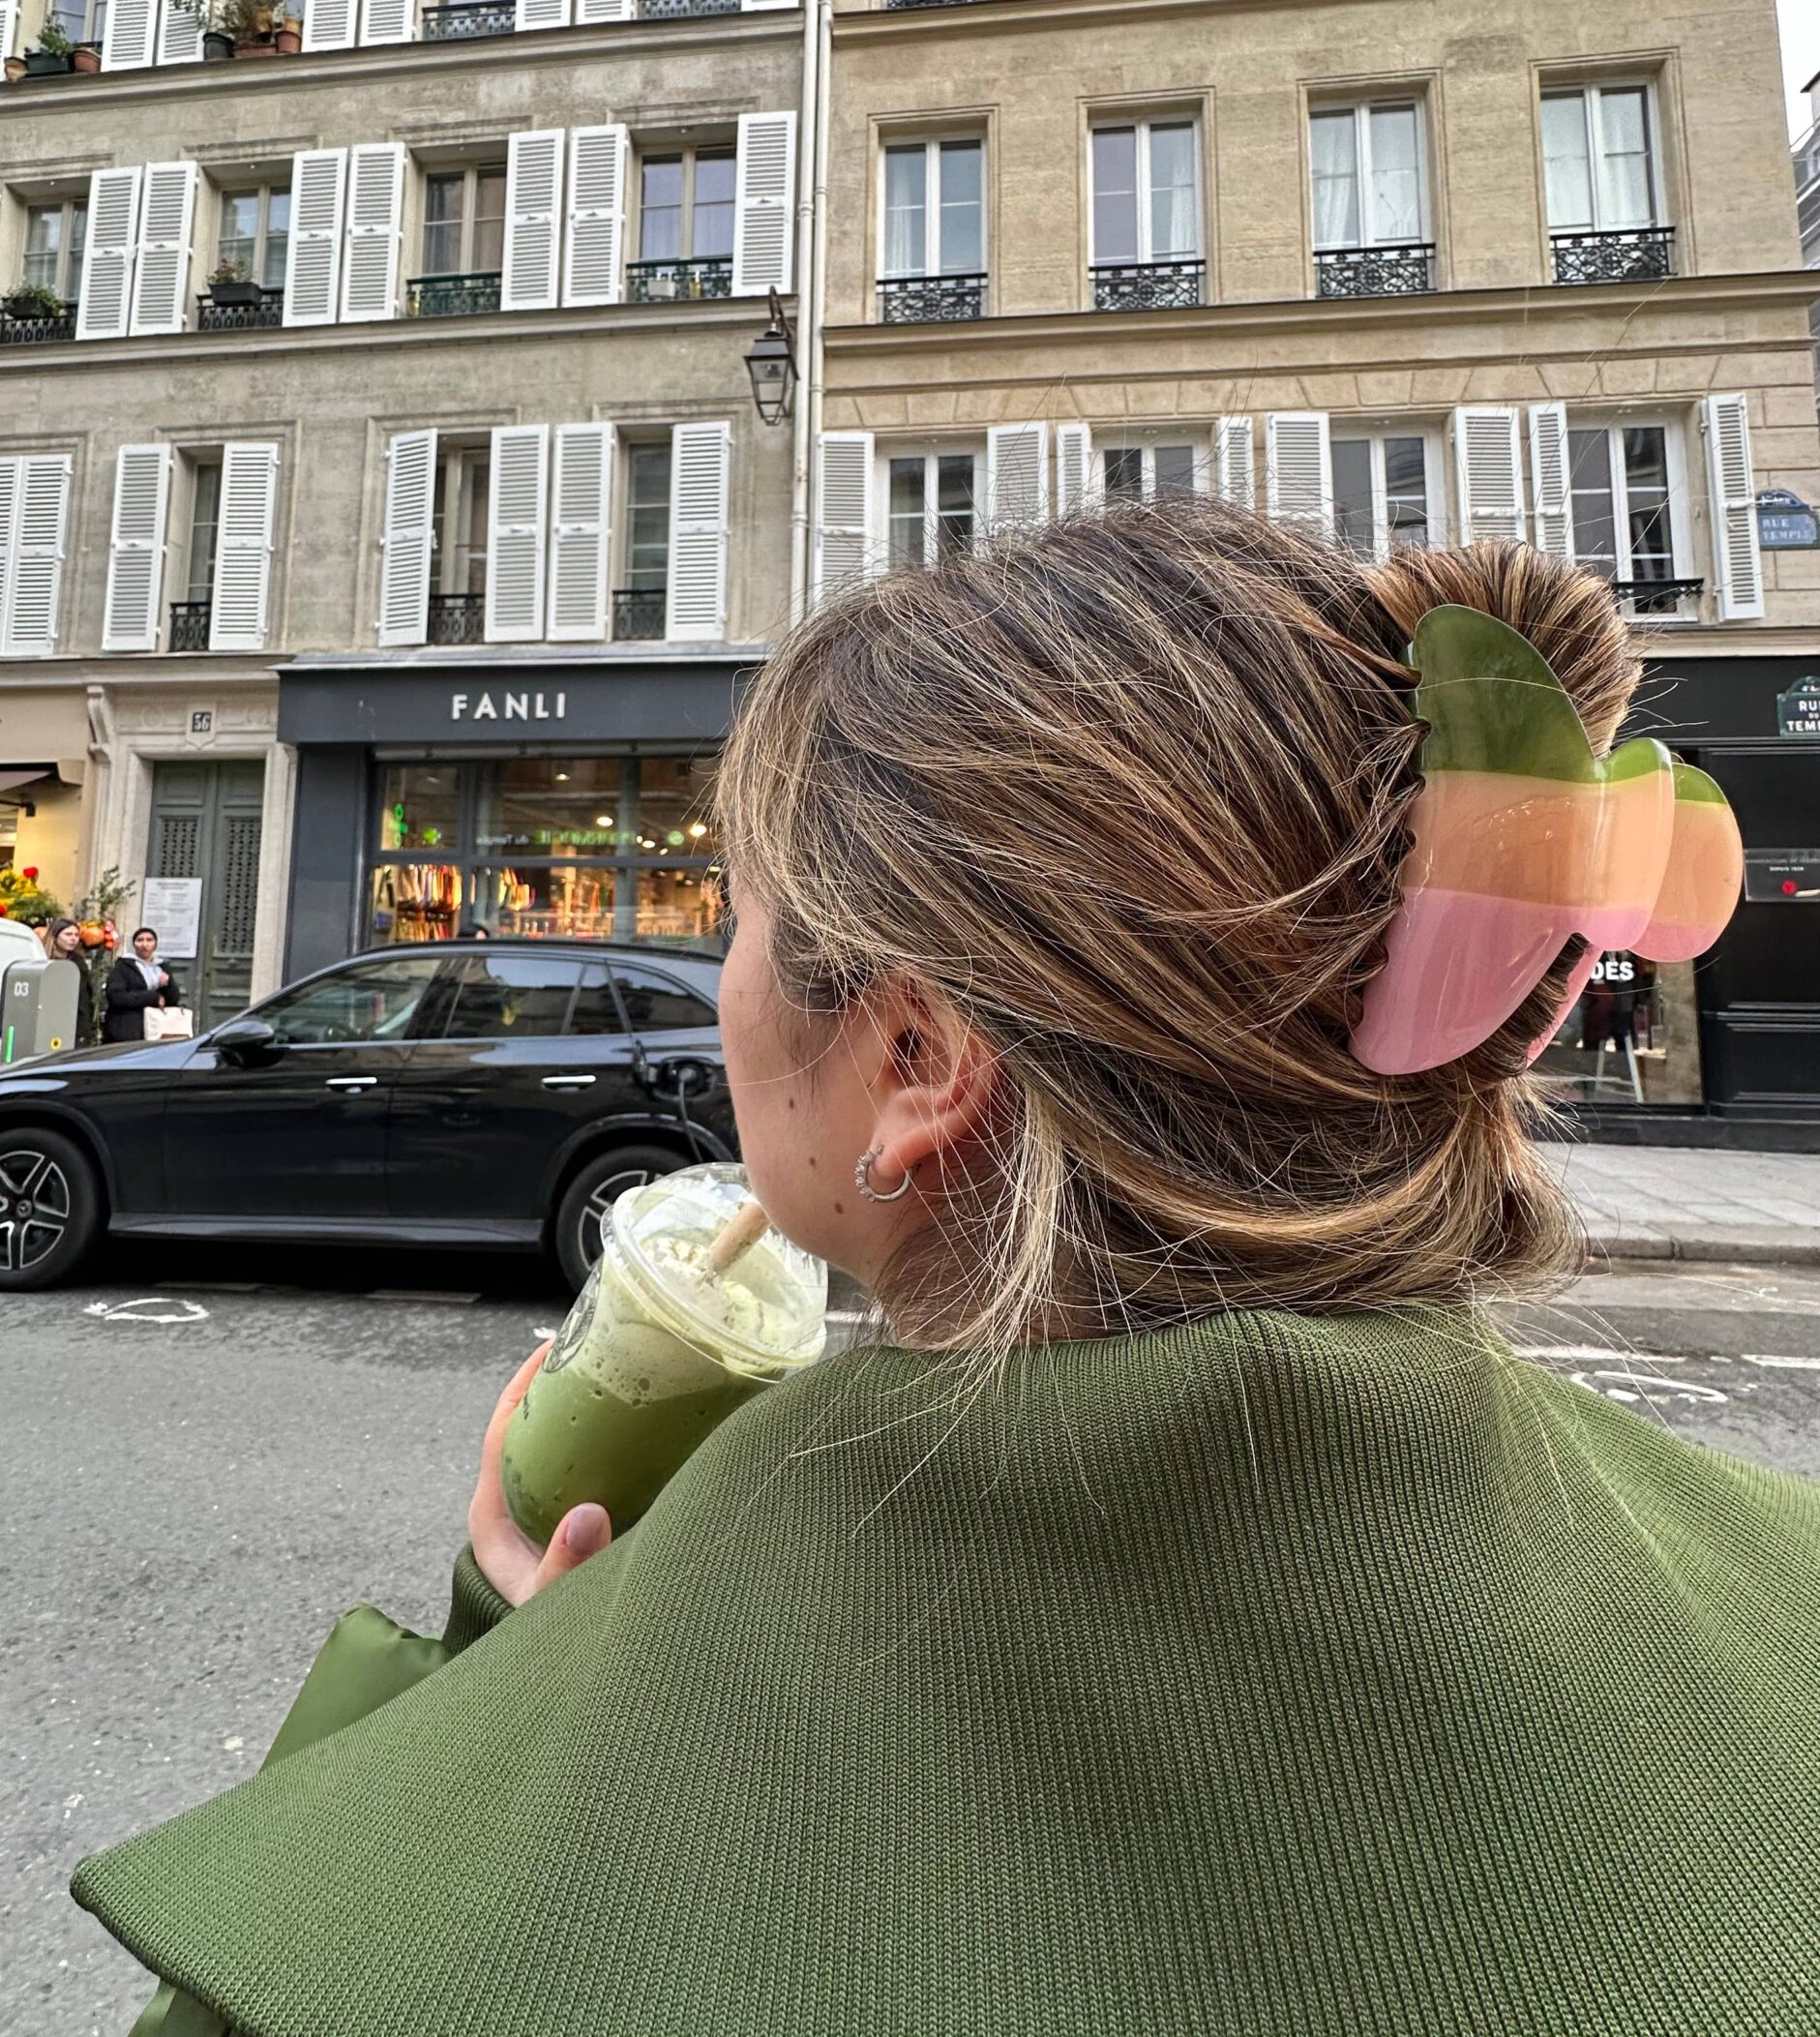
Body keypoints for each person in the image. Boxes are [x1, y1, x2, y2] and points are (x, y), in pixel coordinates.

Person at [73, 504, 1818, 2036]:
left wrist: (507, 1714)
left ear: (917, 1060)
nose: (725, 982)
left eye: (744, 909)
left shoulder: (491, 1864)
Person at [102, 926, 180, 1046]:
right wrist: (152, 998)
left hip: (156, 1030)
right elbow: (116, 996)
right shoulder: (123, 966)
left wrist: (168, 985)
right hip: (128, 1030)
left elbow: (173, 1000)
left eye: (149, 940)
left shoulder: (161, 967)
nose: (144, 944)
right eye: (140, 940)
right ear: (134, 944)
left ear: (155, 945)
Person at [41, 915, 100, 1047]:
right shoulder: (41, 960)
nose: (73, 939)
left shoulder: (79, 963)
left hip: (75, 1025)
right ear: (55, 936)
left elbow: (85, 997)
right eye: (68, 934)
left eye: (76, 935)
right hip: (47, 1022)